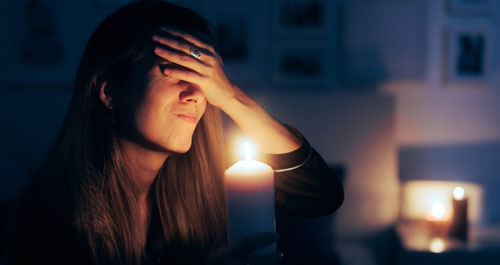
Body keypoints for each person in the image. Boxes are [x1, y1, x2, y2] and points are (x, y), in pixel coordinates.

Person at [1, 1, 343, 265]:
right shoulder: (49, 215)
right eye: (175, 73)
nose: (195, 95)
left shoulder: (215, 178)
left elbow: (320, 195)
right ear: (109, 92)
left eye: (204, 81)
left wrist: (231, 96)